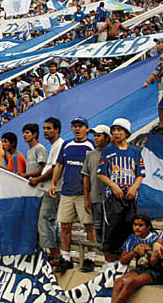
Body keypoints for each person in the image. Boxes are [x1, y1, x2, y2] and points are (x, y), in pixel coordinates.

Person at [49, 117, 96, 273]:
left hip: (84, 193)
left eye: (80, 126)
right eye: (75, 126)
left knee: (89, 226)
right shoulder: (66, 144)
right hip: (67, 191)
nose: (77, 129)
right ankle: (66, 257)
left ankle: (90, 258)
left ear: (86, 129)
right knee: (65, 225)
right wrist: (54, 183)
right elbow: (60, 164)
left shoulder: (91, 145)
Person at [98, 118, 145, 265]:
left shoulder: (135, 152)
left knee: (128, 230)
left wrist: (134, 187)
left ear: (126, 133)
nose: (116, 133)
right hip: (113, 198)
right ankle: (109, 266)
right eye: (114, 130)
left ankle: (124, 264)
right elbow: (101, 173)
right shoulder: (107, 152)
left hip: (130, 197)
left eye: (119, 130)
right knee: (111, 231)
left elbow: (140, 173)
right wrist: (113, 186)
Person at [29, 117, 64, 266]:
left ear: (56, 130)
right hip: (48, 188)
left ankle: (56, 255)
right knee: (50, 221)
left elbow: (54, 169)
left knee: (46, 220)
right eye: (44, 128)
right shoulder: (53, 146)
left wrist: (38, 180)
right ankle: (57, 253)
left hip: (53, 189)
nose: (45, 131)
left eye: (48, 128)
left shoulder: (59, 146)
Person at [111, 214, 162, 303]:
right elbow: (123, 260)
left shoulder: (155, 239)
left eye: (140, 225)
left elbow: (157, 263)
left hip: (155, 271)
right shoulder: (132, 238)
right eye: (135, 225)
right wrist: (134, 251)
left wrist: (148, 253)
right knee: (118, 281)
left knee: (129, 282)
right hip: (139, 269)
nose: (137, 228)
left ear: (148, 227)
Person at [81, 124, 110, 244]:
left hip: (110, 198)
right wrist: (87, 198)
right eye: (95, 136)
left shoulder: (113, 152)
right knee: (98, 228)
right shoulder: (90, 155)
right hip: (95, 198)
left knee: (109, 228)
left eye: (99, 135)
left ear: (107, 137)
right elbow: (86, 178)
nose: (96, 138)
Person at [143, 38, 163, 131]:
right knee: (162, 104)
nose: (157, 45)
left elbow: (158, 69)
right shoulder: (162, 55)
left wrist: (148, 80)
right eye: (156, 44)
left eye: (159, 43)